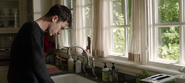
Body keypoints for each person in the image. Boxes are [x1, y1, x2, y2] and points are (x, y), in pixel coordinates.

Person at [7, 4, 72, 83]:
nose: (59, 32)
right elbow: (38, 65)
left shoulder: (34, 30)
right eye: (61, 28)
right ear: (55, 18)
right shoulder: (32, 30)